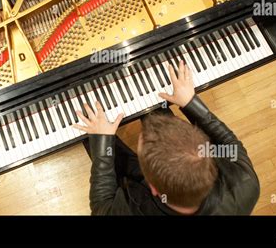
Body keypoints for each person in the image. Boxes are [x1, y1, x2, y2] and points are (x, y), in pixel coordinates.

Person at [73, 60, 260, 215]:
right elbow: (230, 144)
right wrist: (190, 102)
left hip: (141, 195)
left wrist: (101, 140)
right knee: (153, 109)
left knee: (105, 149)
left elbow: (101, 207)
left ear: (152, 188)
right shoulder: (245, 184)